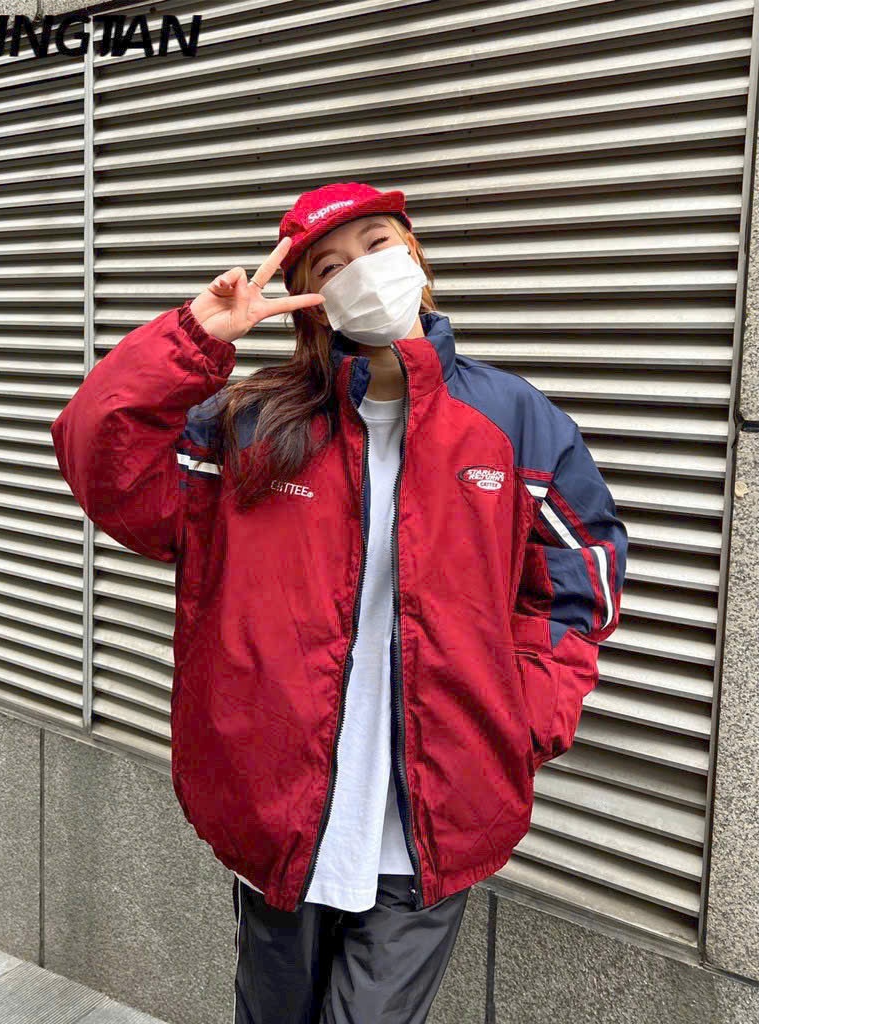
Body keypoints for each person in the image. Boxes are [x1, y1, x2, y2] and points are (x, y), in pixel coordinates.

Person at [50, 181, 629, 1023]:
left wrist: (523, 717)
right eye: (330, 266)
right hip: (277, 811)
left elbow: (584, 575)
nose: (362, 271)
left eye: (377, 246)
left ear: (415, 257)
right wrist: (194, 339)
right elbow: (104, 466)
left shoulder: (513, 421)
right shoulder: (250, 424)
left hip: (435, 817)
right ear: (310, 300)